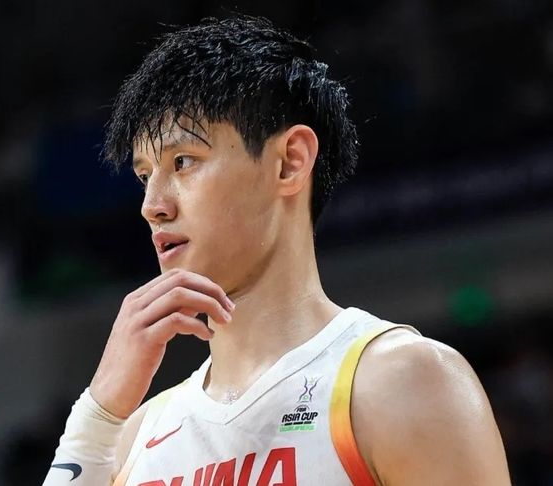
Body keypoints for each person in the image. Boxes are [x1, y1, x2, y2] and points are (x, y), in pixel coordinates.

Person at [44, 16, 510, 485]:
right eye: (146, 176)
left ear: (289, 162)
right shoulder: (133, 437)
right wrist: (98, 412)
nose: (152, 206)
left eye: (182, 162)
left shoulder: (403, 382)